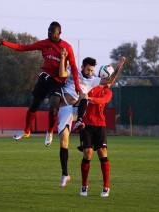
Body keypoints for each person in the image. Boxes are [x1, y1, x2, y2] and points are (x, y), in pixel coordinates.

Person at [0, 21, 82, 147]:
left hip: (57, 81)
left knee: (53, 109)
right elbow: (23, 48)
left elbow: (74, 69)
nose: (49, 33)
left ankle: (49, 132)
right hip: (45, 78)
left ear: (59, 33)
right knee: (34, 106)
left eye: (52, 31)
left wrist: (77, 86)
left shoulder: (67, 47)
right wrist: (5, 43)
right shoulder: (44, 43)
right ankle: (26, 131)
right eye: (48, 30)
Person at [57, 48, 125, 187]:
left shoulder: (94, 81)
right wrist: (63, 58)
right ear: (82, 67)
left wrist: (118, 66)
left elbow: (110, 81)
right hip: (65, 109)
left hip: (82, 113)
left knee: (83, 95)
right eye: (88, 70)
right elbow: (62, 73)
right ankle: (65, 174)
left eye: (92, 70)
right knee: (64, 142)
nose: (90, 72)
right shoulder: (74, 73)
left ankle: (80, 121)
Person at [79, 85, 113, 197]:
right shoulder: (89, 88)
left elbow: (104, 100)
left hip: (100, 125)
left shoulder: (107, 92)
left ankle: (106, 187)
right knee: (87, 154)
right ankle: (84, 185)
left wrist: (91, 99)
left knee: (102, 152)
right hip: (86, 124)